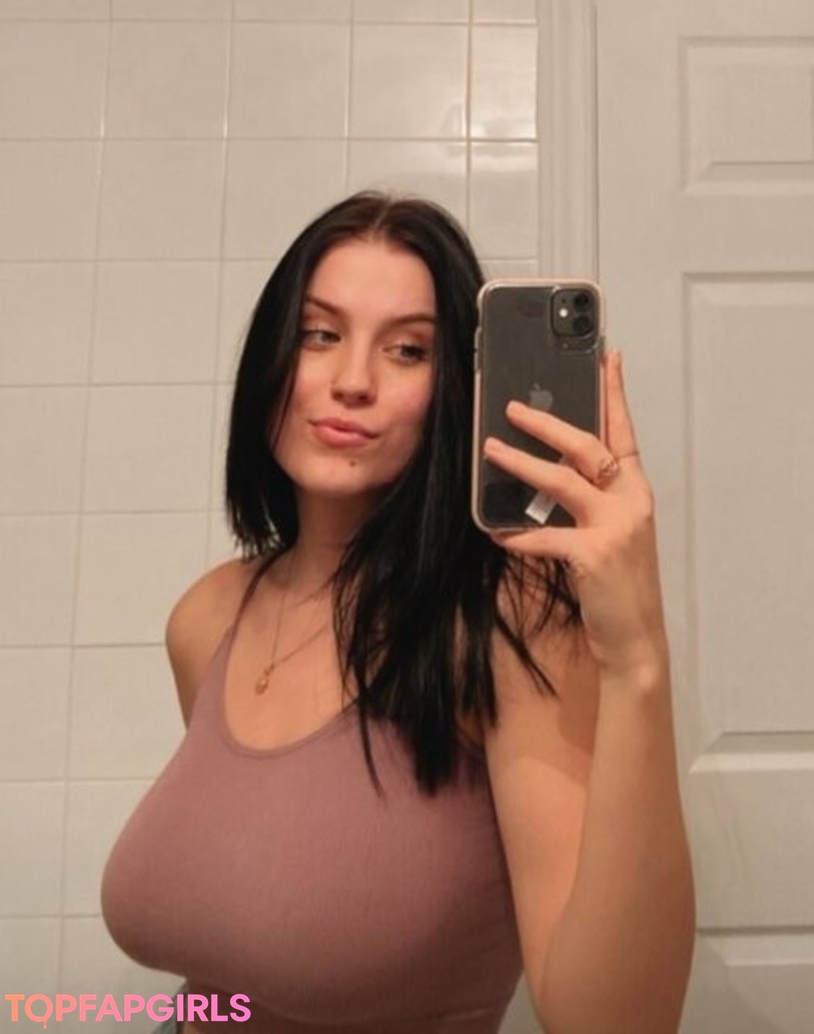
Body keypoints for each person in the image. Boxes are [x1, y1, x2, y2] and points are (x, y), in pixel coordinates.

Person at [100, 191, 695, 1034]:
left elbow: (615, 1024)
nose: (352, 381)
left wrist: (637, 661)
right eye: (320, 334)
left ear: (456, 387)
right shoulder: (207, 617)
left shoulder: (506, 624)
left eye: (408, 350)